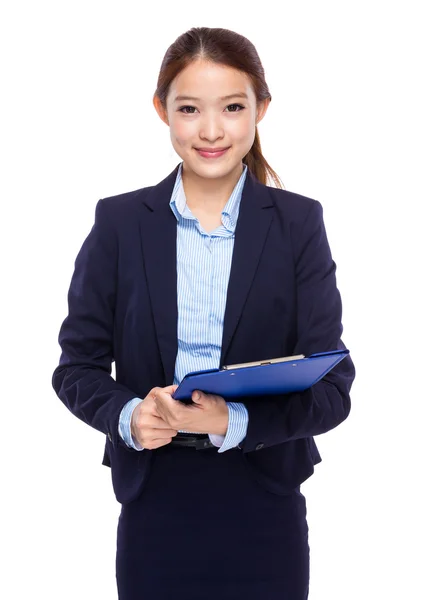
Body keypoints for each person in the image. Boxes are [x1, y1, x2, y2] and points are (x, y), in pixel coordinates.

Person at [52, 26, 355, 600]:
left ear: (260, 109)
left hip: (264, 497)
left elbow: (333, 386)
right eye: (189, 109)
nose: (211, 131)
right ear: (161, 110)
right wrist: (128, 416)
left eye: (233, 108)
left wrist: (225, 422)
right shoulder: (120, 224)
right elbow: (75, 368)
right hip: (155, 499)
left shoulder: (297, 225)